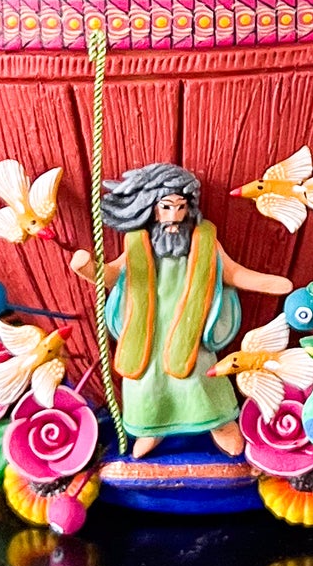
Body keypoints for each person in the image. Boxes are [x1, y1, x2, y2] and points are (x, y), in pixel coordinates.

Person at [70, 163, 289, 455]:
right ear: (152, 208)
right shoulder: (137, 243)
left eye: (180, 207)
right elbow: (112, 276)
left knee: (199, 374)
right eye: (166, 207)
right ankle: (152, 428)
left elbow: (231, 272)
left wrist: (266, 283)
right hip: (147, 331)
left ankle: (220, 424)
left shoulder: (205, 241)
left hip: (189, 325)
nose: (174, 216)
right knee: (145, 382)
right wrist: (87, 268)